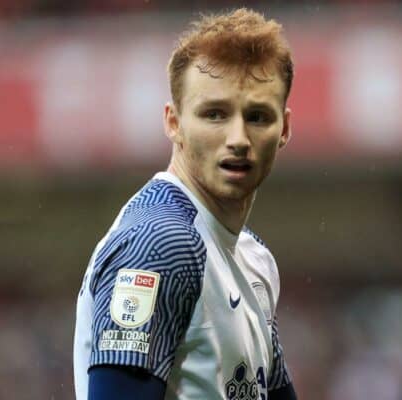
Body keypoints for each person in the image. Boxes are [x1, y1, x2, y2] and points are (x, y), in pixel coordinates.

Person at [73, 8, 297, 400]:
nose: (238, 138)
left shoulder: (253, 258)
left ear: (285, 129)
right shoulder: (160, 245)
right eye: (214, 114)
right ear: (173, 122)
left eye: (258, 116)